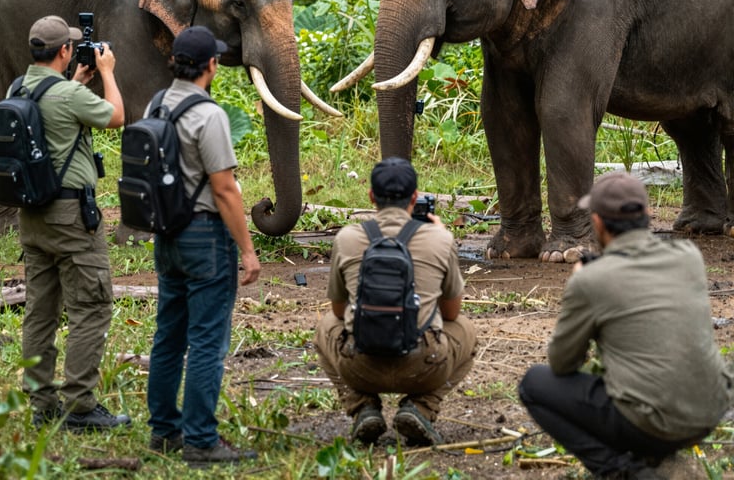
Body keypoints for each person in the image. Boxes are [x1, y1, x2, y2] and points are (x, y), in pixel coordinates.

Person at [519, 172, 733, 480]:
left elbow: (562, 363)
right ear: (647, 215)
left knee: (535, 385)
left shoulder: (591, 279)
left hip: (653, 423)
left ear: (598, 224)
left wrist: (582, 285)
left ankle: (625, 473)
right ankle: (658, 459)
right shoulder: (689, 257)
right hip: (709, 411)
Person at [146, 26, 261, 468]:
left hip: (167, 233)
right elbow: (225, 189)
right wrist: (248, 251)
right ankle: (199, 439)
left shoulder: (156, 103)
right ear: (210, 66)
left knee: (168, 336)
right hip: (205, 236)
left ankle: (163, 431)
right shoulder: (208, 115)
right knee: (207, 340)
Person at [314, 156, 477, 446]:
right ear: (415, 197)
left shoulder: (347, 238)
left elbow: (339, 310)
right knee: (466, 329)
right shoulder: (440, 239)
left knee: (326, 325)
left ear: (370, 197)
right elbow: (452, 313)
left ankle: (362, 406)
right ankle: (422, 406)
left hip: (360, 364)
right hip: (424, 366)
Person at [19, 15, 129, 431]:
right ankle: (80, 406)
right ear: (64, 51)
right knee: (91, 307)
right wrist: (106, 73)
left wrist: (77, 82)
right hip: (71, 218)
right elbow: (116, 116)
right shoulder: (66, 94)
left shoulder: (21, 86)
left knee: (40, 311)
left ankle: (42, 403)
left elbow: (51, 121)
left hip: (33, 216)